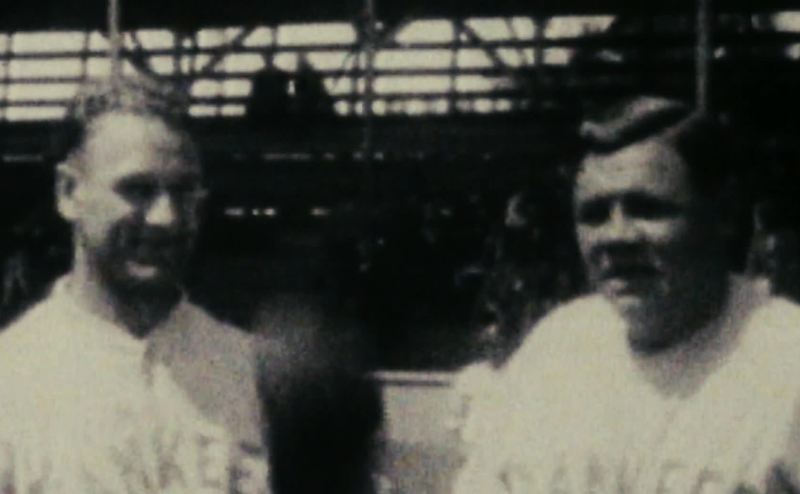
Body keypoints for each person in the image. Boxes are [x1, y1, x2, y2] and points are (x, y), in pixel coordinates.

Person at [0, 75, 378, 494]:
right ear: (69, 192)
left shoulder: (254, 374)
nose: (166, 218)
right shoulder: (13, 378)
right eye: (138, 190)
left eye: (183, 193)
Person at [453, 96, 800, 493]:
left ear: (724, 214)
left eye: (648, 209)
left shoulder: (786, 361)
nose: (616, 237)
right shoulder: (557, 347)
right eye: (594, 215)